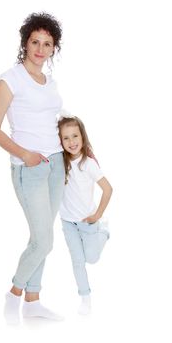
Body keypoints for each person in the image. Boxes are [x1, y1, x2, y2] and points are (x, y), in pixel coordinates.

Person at [0, 12, 65, 323]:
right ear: (25, 42)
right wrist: (26, 154)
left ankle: (33, 301)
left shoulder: (50, 82)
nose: (40, 48)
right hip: (28, 167)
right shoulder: (10, 79)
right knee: (44, 239)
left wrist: (74, 147)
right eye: (35, 41)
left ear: (53, 49)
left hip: (57, 164)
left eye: (47, 44)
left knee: (40, 236)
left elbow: (49, 121)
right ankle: (14, 293)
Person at [58, 116, 113, 315]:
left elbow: (108, 189)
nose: (71, 142)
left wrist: (97, 215)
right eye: (66, 138)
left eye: (75, 136)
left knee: (91, 258)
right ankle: (85, 297)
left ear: (82, 137)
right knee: (77, 260)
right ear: (60, 141)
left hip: (88, 221)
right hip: (68, 221)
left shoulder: (88, 163)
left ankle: (104, 230)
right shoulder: (60, 163)